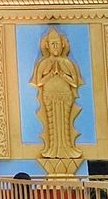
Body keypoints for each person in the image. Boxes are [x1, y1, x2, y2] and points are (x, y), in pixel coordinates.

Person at [30, 28, 84, 159]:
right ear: (47, 45)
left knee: (64, 123)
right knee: (52, 124)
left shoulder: (67, 63)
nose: (55, 47)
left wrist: (62, 75)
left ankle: (68, 148)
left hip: (65, 96)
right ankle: (51, 149)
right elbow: (39, 82)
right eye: (52, 44)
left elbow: (75, 83)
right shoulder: (43, 63)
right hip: (49, 96)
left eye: (58, 44)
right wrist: (50, 75)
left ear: (63, 45)